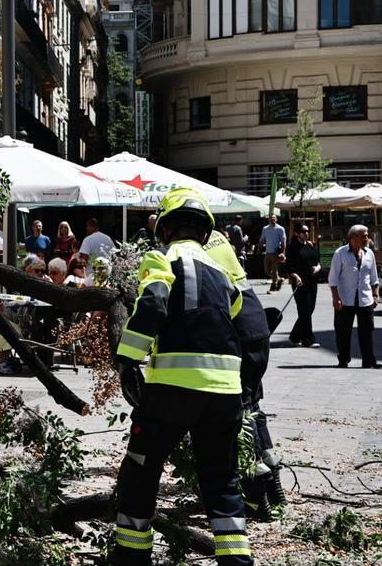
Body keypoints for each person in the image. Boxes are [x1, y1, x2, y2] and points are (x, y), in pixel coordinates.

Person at [113, 187, 251, 565]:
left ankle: (131, 557)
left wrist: (127, 359)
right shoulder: (223, 275)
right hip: (225, 393)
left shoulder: (161, 259)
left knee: (141, 470)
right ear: (206, 233)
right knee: (222, 480)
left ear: (165, 229)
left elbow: (154, 303)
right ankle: (236, 560)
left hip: (172, 391)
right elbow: (235, 315)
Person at [204, 229, 286, 521]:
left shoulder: (188, 247)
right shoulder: (216, 237)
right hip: (256, 323)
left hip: (237, 329)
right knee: (253, 407)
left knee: (236, 414)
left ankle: (256, 495)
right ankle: (274, 480)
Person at [328, 225, 382, 369]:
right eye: (363, 236)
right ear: (353, 237)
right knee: (343, 332)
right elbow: (333, 279)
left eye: (367, 235)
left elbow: (374, 278)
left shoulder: (369, 253)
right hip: (345, 299)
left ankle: (369, 361)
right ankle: (343, 359)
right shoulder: (340, 253)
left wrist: (375, 295)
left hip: (365, 299)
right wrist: (336, 298)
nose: (366, 238)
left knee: (367, 332)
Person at [285, 224, 321, 347]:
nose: (306, 233)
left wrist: (317, 268)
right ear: (296, 233)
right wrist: (295, 276)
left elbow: (318, 261)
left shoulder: (310, 245)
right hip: (300, 283)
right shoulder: (292, 247)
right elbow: (288, 266)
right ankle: (308, 339)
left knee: (310, 309)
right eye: (303, 231)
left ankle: (295, 336)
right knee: (304, 310)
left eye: (307, 231)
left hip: (312, 281)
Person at [76, 217, 115, 282]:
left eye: (87, 226)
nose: (86, 229)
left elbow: (83, 259)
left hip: (92, 277)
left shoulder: (88, 239)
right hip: (107, 276)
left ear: (89, 227)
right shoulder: (108, 238)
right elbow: (114, 256)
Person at [259, 214, 287, 292]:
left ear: (276, 219)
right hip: (268, 252)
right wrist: (258, 248)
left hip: (276, 252)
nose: (272, 219)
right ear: (269, 220)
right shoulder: (265, 229)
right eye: (271, 218)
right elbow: (262, 239)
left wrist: (283, 253)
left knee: (274, 270)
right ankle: (279, 279)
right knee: (267, 270)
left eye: (274, 218)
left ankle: (273, 287)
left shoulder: (280, 229)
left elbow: (283, 241)